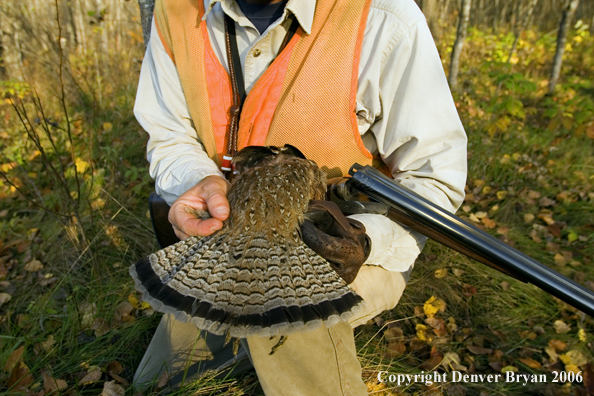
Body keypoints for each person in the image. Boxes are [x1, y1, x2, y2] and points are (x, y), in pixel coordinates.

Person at [133, 0, 467, 394]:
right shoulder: (177, 9)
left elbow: (436, 182)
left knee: (281, 303)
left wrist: (363, 237)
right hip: (228, 240)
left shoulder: (385, 18)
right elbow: (170, 134)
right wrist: (200, 180)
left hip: (344, 250)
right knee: (155, 383)